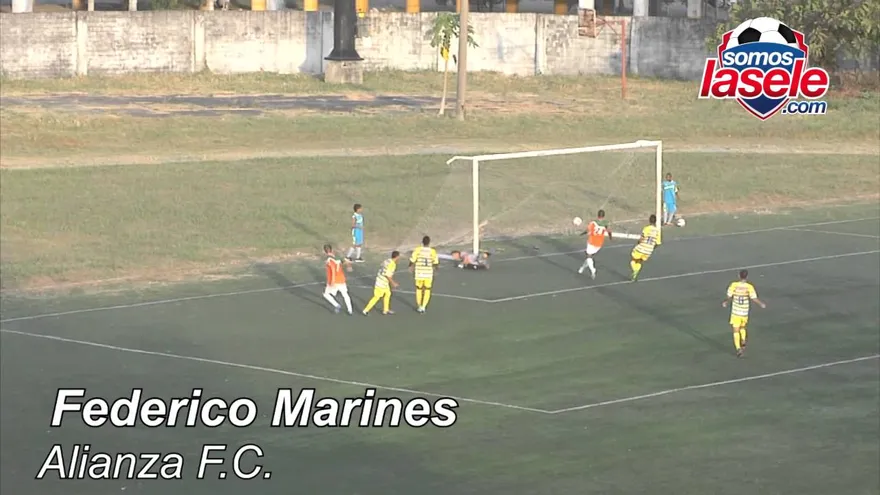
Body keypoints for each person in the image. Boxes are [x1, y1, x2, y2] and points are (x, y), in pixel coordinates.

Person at [722, 269, 767, 357]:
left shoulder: (733, 285)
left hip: (735, 311)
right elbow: (753, 298)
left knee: (735, 330)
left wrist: (726, 302)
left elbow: (729, 296)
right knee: (743, 327)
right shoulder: (749, 287)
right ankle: (743, 339)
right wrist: (761, 303)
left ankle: (738, 348)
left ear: (739, 276)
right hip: (744, 311)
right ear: (746, 277)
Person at [362, 251, 400, 315]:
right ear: (397, 257)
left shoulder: (387, 260)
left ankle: (385, 310)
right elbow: (387, 275)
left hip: (381, 280)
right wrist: (393, 283)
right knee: (376, 297)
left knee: (388, 294)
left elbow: (381, 265)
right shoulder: (392, 265)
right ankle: (366, 310)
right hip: (381, 282)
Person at [578, 209, 612, 279]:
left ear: (598, 215)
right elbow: (609, 231)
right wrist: (610, 237)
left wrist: (582, 234)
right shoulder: (606, 223)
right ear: (604, 216)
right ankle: (581, 269)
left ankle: (593, 270)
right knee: (589, 256)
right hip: (599, 243)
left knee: (589, 256)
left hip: (592, 241)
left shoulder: (593, 223)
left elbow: (587, 230)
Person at [409, 236, 439, 313]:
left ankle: (419, 306)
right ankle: (423, 306)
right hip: (428, 273)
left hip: (419, 273)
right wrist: (436, 270)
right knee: (427, 289)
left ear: (422, 242)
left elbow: (412, 260)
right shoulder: (432, 251)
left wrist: (410, 266)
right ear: (429, 243)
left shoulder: (418, 250)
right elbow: (435, 263)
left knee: (418, 289)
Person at [322, 244, 353, 315]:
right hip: (341, 279)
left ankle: (337, 305)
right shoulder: (337, 257)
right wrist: (349, 265)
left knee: (326, 294)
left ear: (325, 251)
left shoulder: (329, 259)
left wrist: (332, 281)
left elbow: (332, 269)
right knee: (345, 294)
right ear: (331, 249)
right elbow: (345, 262)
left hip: (334, 281)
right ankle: (350, 310)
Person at [630, 214, 661, 282]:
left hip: (641, 247)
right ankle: (636, 272)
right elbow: (658, 243)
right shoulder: (657, 231)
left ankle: (635, 270)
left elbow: (642, 238)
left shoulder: (646, 228)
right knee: (640, 261)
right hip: (649, 250)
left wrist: (638, 242)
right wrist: (652, 248)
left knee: (633, 259)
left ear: (649, 221)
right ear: (655, 222)